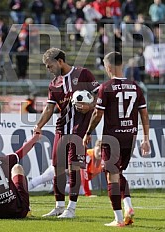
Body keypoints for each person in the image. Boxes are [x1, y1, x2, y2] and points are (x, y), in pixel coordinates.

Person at [83, 52, 150, 227]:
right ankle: (128, 207)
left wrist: (88, 131)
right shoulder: (135, 86)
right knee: (118, 173)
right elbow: (144, 113)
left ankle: (118, 219)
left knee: (112, 175)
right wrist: (146, 138)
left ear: (109, 67)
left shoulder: (106, 87)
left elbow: (98, 113)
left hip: (112, 138)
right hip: (131, 136)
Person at [33, 47, 100, 218]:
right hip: (61, 129)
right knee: (57, 168)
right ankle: (59, 206)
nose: (48, 69)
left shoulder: (83, 74)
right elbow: (49, 108)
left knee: (74, 168)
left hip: (79, 130)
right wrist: (38, 125)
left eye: (50, 66)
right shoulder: (54, 84)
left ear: (60, 61)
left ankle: (71, 208)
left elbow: (99, 97)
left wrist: (89, 106)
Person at [29, 140, 104, 197]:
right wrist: (88, 194)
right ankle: (23, 189)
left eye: (103, 151)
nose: (100, 153)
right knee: (43, 178)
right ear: (95, 147)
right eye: (99, 149)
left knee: (80, 192)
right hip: (63, 166)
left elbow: (89, 175)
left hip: (72, 174)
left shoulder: (103, 161)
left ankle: (56, 187)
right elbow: (83, 175)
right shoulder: (87, 155)